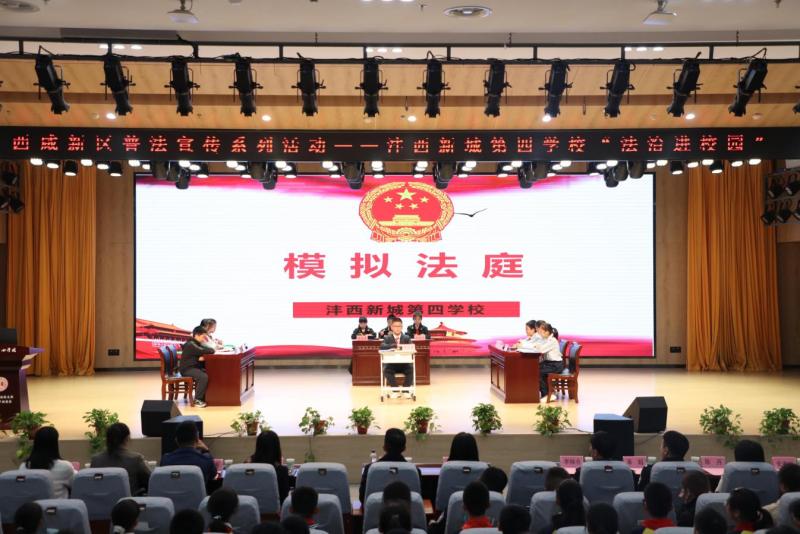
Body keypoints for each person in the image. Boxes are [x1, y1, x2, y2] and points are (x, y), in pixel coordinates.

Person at [90, 422, 151, 495]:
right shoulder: (136, 459)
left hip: (101, 501)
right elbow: (151, 481)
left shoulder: (95, 460)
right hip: (128, 501)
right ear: (127, 438)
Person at [359, 428, 417, 503]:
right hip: (408, 510)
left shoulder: (369, 469)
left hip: (375, 510)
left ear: (384, 447)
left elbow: (362, 498)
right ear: (404, 448)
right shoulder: (415, 471)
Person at [19, 426, 76, 498]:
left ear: (35, 443)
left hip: (33, 505)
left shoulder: (24, 467)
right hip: (59, 505)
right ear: (55, 444)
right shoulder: (65, 467)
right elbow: (75, 487)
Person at [159, 420, 217, 491]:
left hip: (171, 498)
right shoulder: (206, 460)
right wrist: (206, 450)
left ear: (176, 440)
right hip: (197, 498)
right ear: (197, 439)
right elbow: (213, 475)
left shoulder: (165, 460)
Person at [247, 430, 290, 504]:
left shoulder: (246, 468)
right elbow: (284, 497)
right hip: (274, 511)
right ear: (276, 447)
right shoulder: (281, 471)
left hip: (250, 508)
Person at [180, 326, 216, 407]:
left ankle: (207, 396)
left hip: (194, 366)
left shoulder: (195, 343)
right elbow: (209, 350)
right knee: (203, 377)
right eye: (203, 337)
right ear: (196, 335)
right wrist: (201, 355)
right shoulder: (191, 344)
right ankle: (197, 400)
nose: (204, 339)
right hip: (187, 369)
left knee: (210, 373)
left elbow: (207, 349)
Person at [529, 322, 564, 398]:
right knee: (533, 368)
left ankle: (547, 395)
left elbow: (541, 350)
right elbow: (537, 346)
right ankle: (545, 391)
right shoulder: (546, 339)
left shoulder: (552, 340)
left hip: (555, 365)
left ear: (547, 332)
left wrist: (537, 346)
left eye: (541, 332)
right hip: (549, 363)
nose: (539, 333)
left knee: (537, 372)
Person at [379, 317, 413, 395]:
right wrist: (393, 345)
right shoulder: (387, 338)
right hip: (392, 364)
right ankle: (395, 390)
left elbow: (412, 347)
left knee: (411, 370)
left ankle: (405, 390)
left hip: (404, 363)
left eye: (399, 326)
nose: (397, 328)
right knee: (386, 370)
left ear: (402, 327)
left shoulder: (406, 338)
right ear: (391, 327)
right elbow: (382, 346)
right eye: (395, 326)